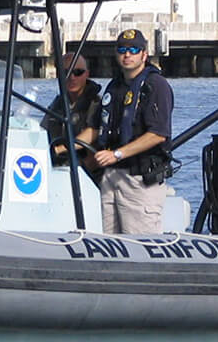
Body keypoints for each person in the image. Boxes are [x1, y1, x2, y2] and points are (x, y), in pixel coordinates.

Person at [93, 28, 174, 234]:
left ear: (144, 55)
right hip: (111, 177)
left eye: (134, 49)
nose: (127, 54)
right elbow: (98, 127)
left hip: (139, 181)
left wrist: (117, 154)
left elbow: (158, 133)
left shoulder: (156, 85)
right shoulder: (115, 86)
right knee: (108, 246)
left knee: (140, 247)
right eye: (122, 49)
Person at [41, 52, 101, 172]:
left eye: (78, 72)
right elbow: (42, 129)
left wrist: (59, 149)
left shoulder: (96, 103)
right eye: (66, 72)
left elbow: (94, 131)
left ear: (87, 74)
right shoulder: (58, 103)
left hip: (85, 170)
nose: (72, 77)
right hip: (57, 166)